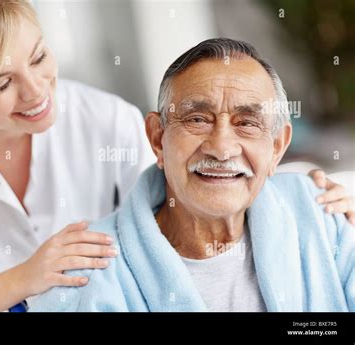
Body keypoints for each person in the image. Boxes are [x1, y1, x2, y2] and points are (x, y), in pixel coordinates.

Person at [0, 1, 352, 312]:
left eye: (40, 57)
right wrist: (27, 278)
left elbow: (189, 189)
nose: (36, 91)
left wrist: (300, 189)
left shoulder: (102, 119)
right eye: (1, 83)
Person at [30, 38, 354, 312]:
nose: (222, 148)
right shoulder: (83, 275)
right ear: (157, 138)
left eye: (247, 123)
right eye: (198, 119)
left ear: (278, 147)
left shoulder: (323, 219)